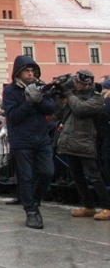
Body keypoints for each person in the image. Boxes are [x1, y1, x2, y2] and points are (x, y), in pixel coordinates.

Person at [2, 55, 55, 229]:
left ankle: (34, 199)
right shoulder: (10, 91)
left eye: (33, 71)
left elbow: (50, 109)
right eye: (27, 71)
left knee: (47, 172)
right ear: (19, 73)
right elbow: (14, 117)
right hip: (22, 140)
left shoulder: (41, 86)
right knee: (26, 177)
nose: (31, 74)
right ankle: (31, 211)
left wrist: (39, 99)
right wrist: (29, 102)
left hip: (41, 138)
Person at [55, 70, 110, 220]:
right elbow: (60, 112)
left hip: (85, 142)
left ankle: (107, 206)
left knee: (93, 176)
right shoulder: (74, 95)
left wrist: (68, 93)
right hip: (71, 141)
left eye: (78, 82)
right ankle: (88, 206)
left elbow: (81, 109)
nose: (76, 84)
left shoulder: (96, 98)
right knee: (77, 176)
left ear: (87, 83)